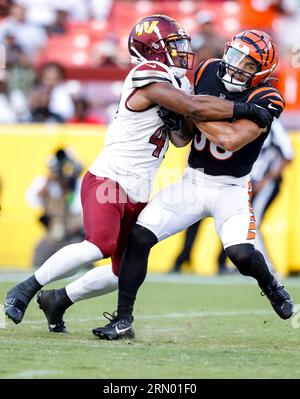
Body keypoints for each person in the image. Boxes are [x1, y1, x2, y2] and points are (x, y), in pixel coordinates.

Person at [4, 16, 271, 333]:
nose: (183, 51)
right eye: (173, 45)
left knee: (123, 271)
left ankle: (58, 300)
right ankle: (24, 288)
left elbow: (180, 138)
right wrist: (244, 109)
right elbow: (193, 108)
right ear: (153, 49)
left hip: (137, 191)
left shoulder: (177, 82)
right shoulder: (148, 73)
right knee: (99, 245)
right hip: (109, 180)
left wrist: (184, 123)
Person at [92, 29, 294, 340]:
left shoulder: (267, 97)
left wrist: (190, 108)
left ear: (262, 72)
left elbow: (230, 139)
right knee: (139, 237)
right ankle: (123, 319)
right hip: (192, 181)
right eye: (236, 56)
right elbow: (183, 137)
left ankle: (270, 285)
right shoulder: (207, 70)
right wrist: (186, 113)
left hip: (232, 188)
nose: (238, 66)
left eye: (249, 64)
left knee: (241, 255)